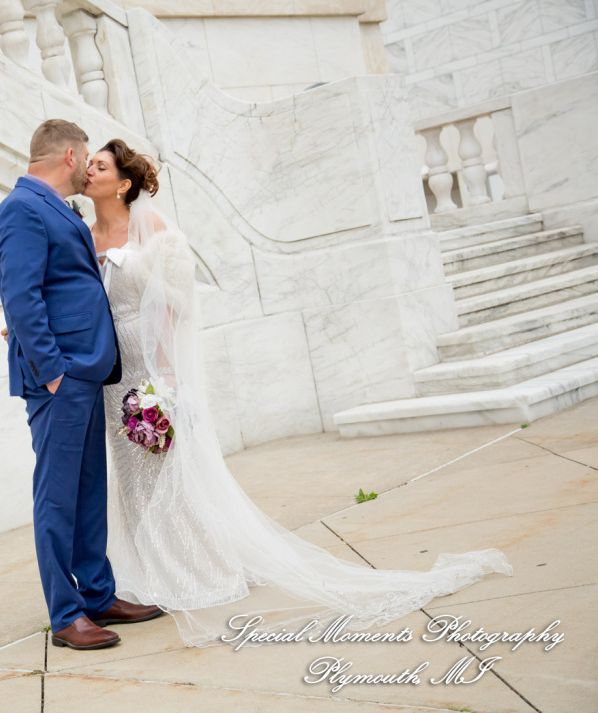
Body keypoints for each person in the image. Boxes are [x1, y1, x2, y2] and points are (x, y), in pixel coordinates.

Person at [79, 138, 514, 647]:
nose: (89, 170)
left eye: (100, 165)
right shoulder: (85, 236)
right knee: (133, 479)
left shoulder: (150, 228)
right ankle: (151, 575)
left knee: (171, 471)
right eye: (88, 163)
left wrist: (170, 380)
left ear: (124, 183)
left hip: (155, 368)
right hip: (113, 374)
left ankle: (194, 570)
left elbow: (176, 307)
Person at [0, 120, 163, 651]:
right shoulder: (20, 209)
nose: (87, 168)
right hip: (60, 379)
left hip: (88, 372)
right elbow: (21, 297)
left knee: (88, 492)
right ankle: (66, 615)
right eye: (84, 158)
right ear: (69, 155)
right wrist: (54, 371)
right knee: (58, 497)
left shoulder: (57, 209)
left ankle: (98, 593)